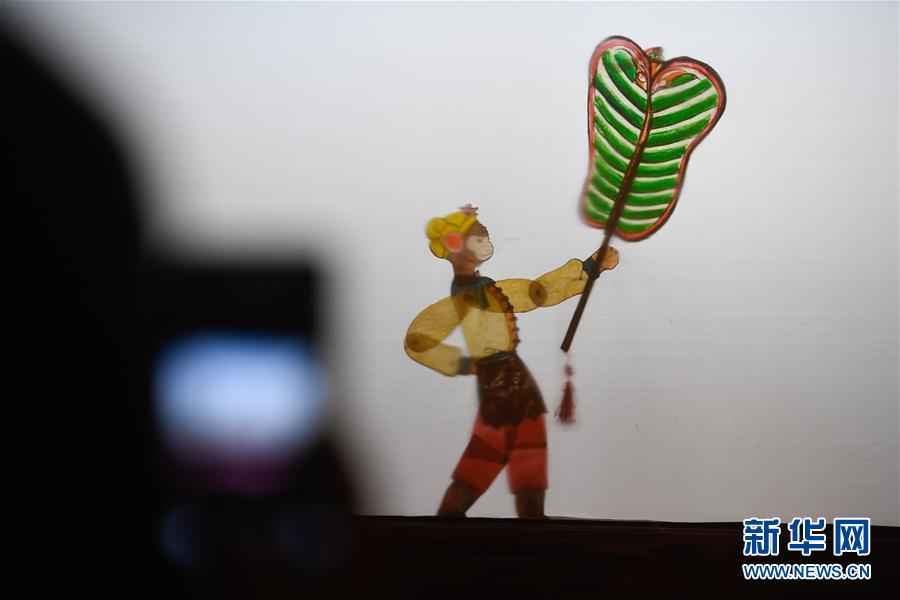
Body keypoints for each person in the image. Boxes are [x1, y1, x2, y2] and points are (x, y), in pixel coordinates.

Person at [404, 204, 619, 517]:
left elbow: (536, 293)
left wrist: (590, 267)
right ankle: (450, 520)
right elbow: (417, 340)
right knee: (488, 454)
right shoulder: (468, 298)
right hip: (500, 387)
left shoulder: (487, 290)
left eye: (486, 238)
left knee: (528, 453)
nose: (487, 245)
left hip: (516, 383)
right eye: (479, 240)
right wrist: (464, 364)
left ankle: (531, 520)